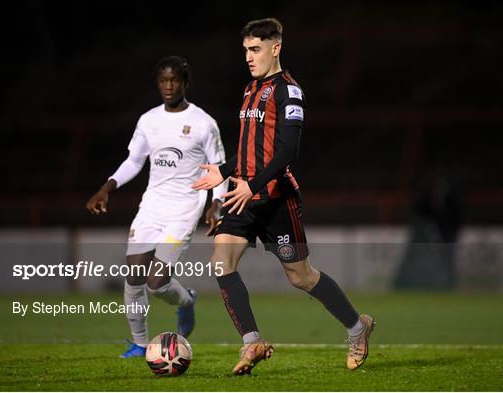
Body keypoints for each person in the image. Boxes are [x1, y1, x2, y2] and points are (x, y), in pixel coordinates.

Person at [192, 18, 375, 374]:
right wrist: (224, 170)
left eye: (255, 49)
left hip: (275, 198)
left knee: (301, 277)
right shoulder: (249, 90)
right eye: (245, 49)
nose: (248, 56)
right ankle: (252, 342)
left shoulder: (288, 91)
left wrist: (253, 184)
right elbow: (250, 148)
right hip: (243, 194)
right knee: (220, 262)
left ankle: (358, 327)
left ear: (275, 48)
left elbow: (288, 149)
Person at [86, 55, 228, 358]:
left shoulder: (204, 124)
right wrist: (106, 187)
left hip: (184, 209)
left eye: (174, 80)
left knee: (156, 281)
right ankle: (139, 343)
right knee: (134, 273)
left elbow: (218, 170)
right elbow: (134, 160)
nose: (168, 85)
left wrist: (216, 204)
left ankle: (187, 301)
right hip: (151, 206)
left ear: (185, 82)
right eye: (163, 80)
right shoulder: (148, 120)